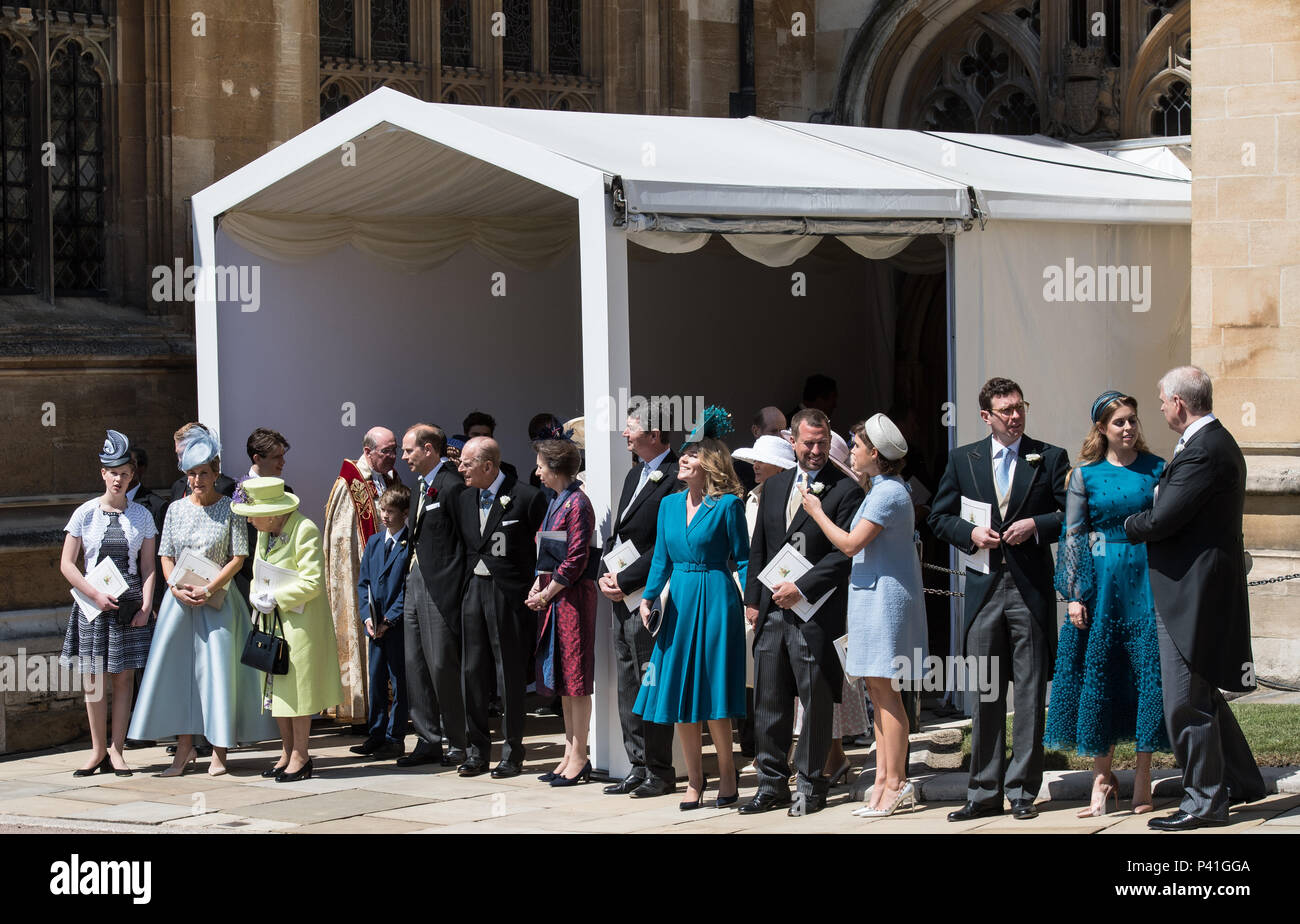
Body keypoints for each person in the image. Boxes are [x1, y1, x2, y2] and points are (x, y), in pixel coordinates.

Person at [1125, 366, 1266, 830]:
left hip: (1193, 594)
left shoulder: (1204, 450)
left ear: (1180, 404)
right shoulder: (1209, 443)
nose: (1161, 407)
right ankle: (1241, 780)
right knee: (1204, 694)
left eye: (1163, 400)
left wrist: (1129, 525)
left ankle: (1204, 801)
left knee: (1185, 700)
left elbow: (1164, 518)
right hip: (1199, 589)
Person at [928, 377, 1068, 821]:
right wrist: (969, 534)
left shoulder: (1049, 457)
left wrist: (1036, 526)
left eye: (1019, 407)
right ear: (986, 416)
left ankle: (1023, 791)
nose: (1015, 416)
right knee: (986, 690)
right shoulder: (962, 459)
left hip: (1029, 587)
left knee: (1028, 692)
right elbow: (938, 516)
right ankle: (983, 790)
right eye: (1005, 410)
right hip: (984, 588)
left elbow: (1071, 514)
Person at [1047, 391, 1170, 817]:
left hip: (1145, 580)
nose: (1129, 428)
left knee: (1144, 674)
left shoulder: (1157, 469)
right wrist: (1074, 595)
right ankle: (1102, 776)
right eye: (1119, 422)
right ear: (1102, 429)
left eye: (1133, 420)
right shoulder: (1085, 476)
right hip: (1099, 587)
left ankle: (1142, 775)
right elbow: (1074, 537)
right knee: (1099, 673)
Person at [129, 428, 276, 775]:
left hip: (219, 603)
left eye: (204, 473)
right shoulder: (176, 509)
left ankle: (220, 752)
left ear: (215, 473)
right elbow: (165, 554)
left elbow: (239, 556)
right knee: (181, 676)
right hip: (179, 604)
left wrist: (209, 588)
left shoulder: (231, 507)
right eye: (192, 474)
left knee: (218, 675)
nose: (197, 480)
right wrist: (174, 586)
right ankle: (183, 751)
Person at [801, 414, 928, 817]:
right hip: (871, 599)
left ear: (875, 452)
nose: (851, 451)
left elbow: (852, 544)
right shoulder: (879, 489)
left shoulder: (889, 493)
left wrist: (817, 512)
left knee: (886, 693)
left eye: (856, 445)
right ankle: (881, 781)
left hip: (885, 602)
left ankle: (896, 783)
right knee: (877, 691)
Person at [742, 408, 863, 817]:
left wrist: (802, 587)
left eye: (822, 443)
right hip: (773, 613)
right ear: (792, 442)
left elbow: (842, 555)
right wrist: (753, 600)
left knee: (816, 701)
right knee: (770, 702)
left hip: (815, 613)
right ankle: (771, 784)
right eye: (808, 443)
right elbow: (759, 546)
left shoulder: (846, 491)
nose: (815, 450)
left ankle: (811, 787)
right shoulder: (774, 487)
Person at [634, 427, 748, 810]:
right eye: (682, 454)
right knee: (679, 692)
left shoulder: (729, 506)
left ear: (711, 464)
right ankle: (695, 782)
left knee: (713, 691)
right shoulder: (668, 505)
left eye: (692, 455)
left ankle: (728, 775)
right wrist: (648, 599)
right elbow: (661, 562)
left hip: (716, 598)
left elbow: (744, 559)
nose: (683, 459)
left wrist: (751, 602)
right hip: (678, 602)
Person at [59, 430, 157, 777]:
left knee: (123, 677)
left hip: (127, 602)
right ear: (103, 473)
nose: (118, 478)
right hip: (92, 601)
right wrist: (94, 594)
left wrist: (145, 606)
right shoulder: (84, 514)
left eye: (125, 473)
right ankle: (97, 750)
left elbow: (147, 567)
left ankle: (117, 750)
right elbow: (67, 564)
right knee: (94, 679)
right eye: (113, 472)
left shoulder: (142, 517)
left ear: (132, 475)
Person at [597, 413, 682, 798]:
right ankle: (638, 763)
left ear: (655, 433)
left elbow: (664, 544)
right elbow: (620, 535)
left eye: (631, 427)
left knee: (651, 682)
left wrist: (629, 580)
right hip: (621, 596)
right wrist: (605, 573)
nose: (624, 433)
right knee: (629, 681)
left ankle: (661, 771)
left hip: (650, 596)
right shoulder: (635, 474)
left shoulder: (677, 473)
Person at [238, 478, 344, 782]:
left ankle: (301, 755)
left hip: (300, 625)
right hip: (272, 624)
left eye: (253, 513)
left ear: (272, 513)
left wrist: (277, 597)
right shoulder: (265, 534)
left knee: (297, 693)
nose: (249, 519)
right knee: (276, 692)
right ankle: (286, 752)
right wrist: (256, 595)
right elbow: (259, 571)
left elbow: (313, 580)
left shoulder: (304, 529)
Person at [454, 436, 547, 777]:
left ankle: (512, 751)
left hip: (507, 594)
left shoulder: (527, 496)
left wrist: (538, 587)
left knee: (508, 673)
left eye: (466, 463)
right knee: (472, 672)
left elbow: (545, 547)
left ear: (488, 466)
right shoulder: (464, 499)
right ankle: (476, 751)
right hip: (472, 591)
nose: (460, 468)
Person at [527, 438, 598, 786]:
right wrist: (536, 588)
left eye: (541, 465)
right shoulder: (555, 501)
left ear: (555, 467)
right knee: (563, 678)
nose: (537, 471)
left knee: (576, 679)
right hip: (554, 596)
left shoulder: (578, 503)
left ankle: (581, 755)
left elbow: (575, 557)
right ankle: (568, 751)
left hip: (572, 598)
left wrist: (547, 592)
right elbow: (547, 551)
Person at [398, 424, 468, 768]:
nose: (404, 456)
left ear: (429, 449)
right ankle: (428, 739)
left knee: (443, 665)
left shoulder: (453, 485)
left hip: (441, 587)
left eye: (409, 450)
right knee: (416, 664)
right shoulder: (419, 486)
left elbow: (466, 542)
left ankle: (458, 741)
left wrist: (456, 589)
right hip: (414, 581)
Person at [323, 427, 399, 725]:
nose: (393, 457)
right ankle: (365, 709)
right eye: (386, 452)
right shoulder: (350, 484)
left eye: (394, 450)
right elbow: (344, 544)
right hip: (365, 579)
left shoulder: (389, 478)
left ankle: (390, 714)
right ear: (368, 452)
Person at [731, 433, 797, 761]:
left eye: (762, 461)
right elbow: (750, 551)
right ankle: (756, 743)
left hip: (787, 594)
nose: (754, 466)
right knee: (752, 673)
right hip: (751, 592)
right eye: (753, 460)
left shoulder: (794, 495)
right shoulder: (752, 498)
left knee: (778, 679)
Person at [352, 484, 412, 760]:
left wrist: (390, 618)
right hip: (375, 625)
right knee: (375, 680)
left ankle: (395, 736)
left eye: (390, 512)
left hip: (395, 626)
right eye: (382, 510)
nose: (385, 516)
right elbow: (364, 582)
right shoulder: (376, 542)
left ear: (404, 513)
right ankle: (375, 734)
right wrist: (367, 616)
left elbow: (406, 587)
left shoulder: (409, 543)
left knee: (399, 682)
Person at [168, 423, 236, 501]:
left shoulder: (228, 488)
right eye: (179, 454)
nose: (183, 460)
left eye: (187, 453)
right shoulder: (178, 487)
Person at [463, 411, 519, 480]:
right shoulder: (457, 468)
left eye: (486, 435)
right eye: (476, 435)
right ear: (466, 436)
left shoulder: (507, 470)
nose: (481, 439)